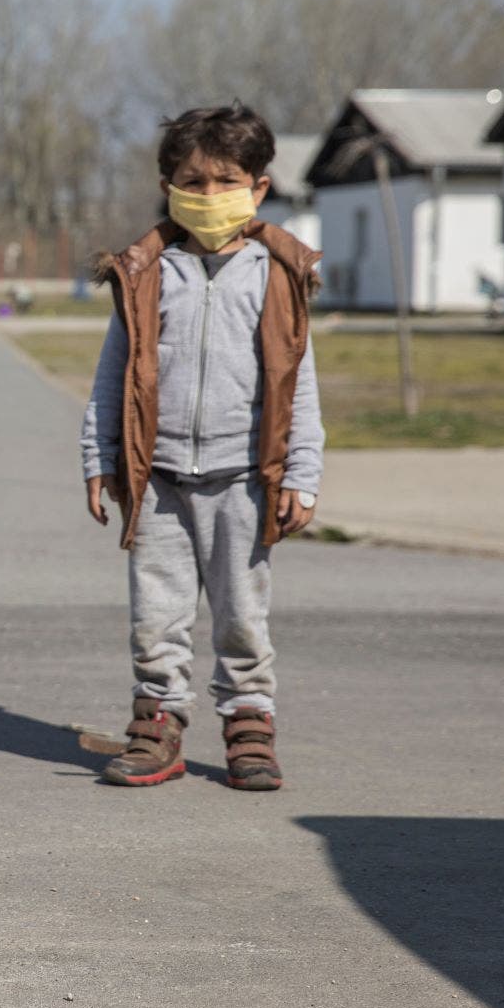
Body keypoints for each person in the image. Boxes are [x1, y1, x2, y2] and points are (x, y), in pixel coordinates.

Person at [79, 102, 324, 793]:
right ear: (167, 186)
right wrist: (98, 457)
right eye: (194, 181)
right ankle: (156, 724)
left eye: (225, 181)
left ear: (258, 188)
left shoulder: (277, 276)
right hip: (157, 481)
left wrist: (301, 474)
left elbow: (297, 381)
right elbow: (111, 375)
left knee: (242, 614)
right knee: (155, 615)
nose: (209, 196)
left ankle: (249, 726)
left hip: (243, 479)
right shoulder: (145, 274)